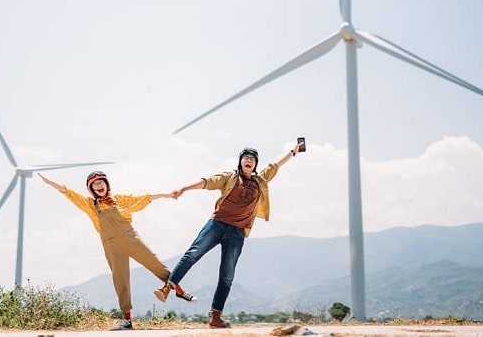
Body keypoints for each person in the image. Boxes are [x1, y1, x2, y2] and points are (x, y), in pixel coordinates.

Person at [154, 141, 305, 328]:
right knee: (192, 254)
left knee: (227, 275)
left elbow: (277, 164)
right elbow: (207, 182)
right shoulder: (229, 177)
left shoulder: (260, 180)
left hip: (237, 233)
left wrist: (294, 151)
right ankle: (168, 287)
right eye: (246, 158)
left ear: (255, 164)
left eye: (252, 159)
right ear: (240, 161)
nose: (249, 160)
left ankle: (215, 317)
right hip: (217, 225)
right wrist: (184, 188)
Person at [39, 170, 195, 331]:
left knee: (156, 264)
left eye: (101, 182)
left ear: (106, 184)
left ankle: (180, 291)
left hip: (131, 239)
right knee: (120, 280)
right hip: (111, 246)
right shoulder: (90, 206)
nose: (99, 186)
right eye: (94, 184)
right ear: (91, 190)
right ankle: (127, 321)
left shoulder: (120, 200)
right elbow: (68, 192)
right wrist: (49, 181)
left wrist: (166, 195)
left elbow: (144, 198)